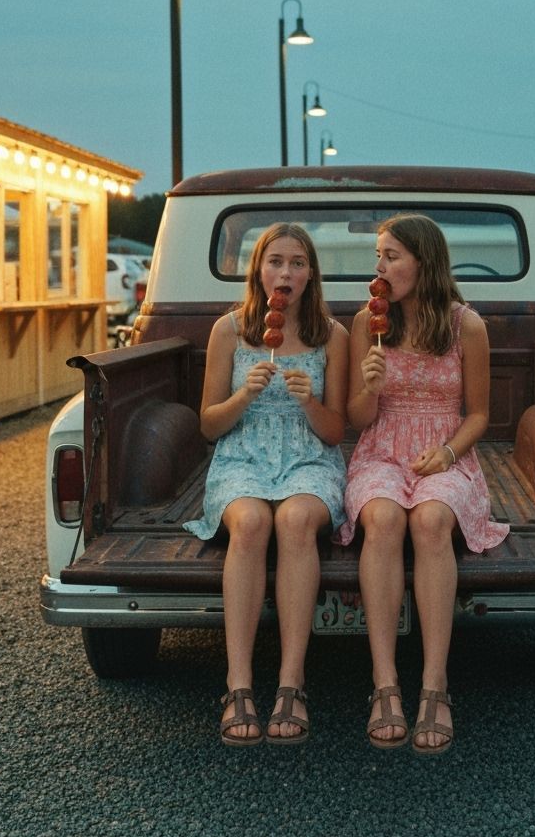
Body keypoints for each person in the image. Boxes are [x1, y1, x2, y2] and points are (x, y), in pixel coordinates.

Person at [339, 213, 509, 755]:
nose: (379, 268)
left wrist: (448, 452)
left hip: (446, 452)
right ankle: (385, 684)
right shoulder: (368, 322)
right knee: (384, 518)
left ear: (424, 261)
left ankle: (435, 686)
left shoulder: (466, 326)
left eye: (391, 257)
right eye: (378, 257)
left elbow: (479, 414)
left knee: (432, 521)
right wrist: (369, 388)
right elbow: (357, 419)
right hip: (381, 448)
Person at [183, 223, 349, 747]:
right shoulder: (229, 330)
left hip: (309, 456)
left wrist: (309, 400)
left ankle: (291, 684)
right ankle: (238, 685)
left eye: (297, 263)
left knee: (296, 520)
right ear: (258, 270)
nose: (286, 272)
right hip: (242, 455)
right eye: (275, 261)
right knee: (252, 522)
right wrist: (243, 396)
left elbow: (335, 431)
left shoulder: (333, 335)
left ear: (310, 274)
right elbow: (209, 425)